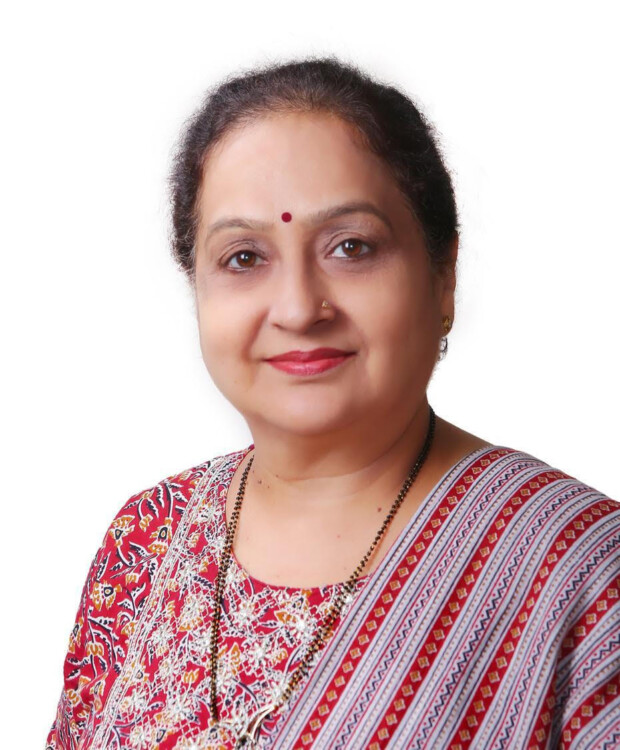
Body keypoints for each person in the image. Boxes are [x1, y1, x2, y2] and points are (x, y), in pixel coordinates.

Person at [47, 56, 620, 750]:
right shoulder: (147, 541)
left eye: (351, 247)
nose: (297, 308)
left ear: (443, 274)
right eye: (244, 257)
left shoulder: (582, 570)